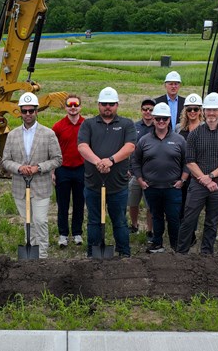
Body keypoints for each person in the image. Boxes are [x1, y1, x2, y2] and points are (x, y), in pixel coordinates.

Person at [77, 86, 138, 257]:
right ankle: (93, 253)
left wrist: (111, 160)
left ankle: (124, 253)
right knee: (94, 221)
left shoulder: (127, 124)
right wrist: (98, 162)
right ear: (98, 105)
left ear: (117, 105)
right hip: (93, 183)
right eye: (104, 104)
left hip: (117, 185)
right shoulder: (88, 124)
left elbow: (130, 147)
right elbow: (82, 147)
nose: (107, 107)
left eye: (111, 104)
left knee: (119, 221)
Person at [0, 91, 62, 259]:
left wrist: (39, 167)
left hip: (41, 186)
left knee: (40, 221)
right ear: (20, 112)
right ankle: (31, 254)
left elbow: (57, 159)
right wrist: (19, 168)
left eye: (31, 110)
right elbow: (5, 160)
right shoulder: (12, 135)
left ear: (36, 111)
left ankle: (42, 256)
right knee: (28, 222)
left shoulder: (48, 134)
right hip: (20, 187)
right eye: (24, 111)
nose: (28, 114)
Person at [177, 93, 218, 255]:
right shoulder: (195, 134)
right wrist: (205, 180)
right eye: (208, 109)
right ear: (204, 111)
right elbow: (190, 160)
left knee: (212, 221)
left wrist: (210, 177)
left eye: (215, 110)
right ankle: (181, 253)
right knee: (189, 219)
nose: (211, 113)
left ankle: (206, 254)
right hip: (198, 184)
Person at [132, 102, 187, 252]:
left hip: (172, 188)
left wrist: (182, 180)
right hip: (152, 187)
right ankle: (157, 243)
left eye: (164, 118)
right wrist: (140, 180)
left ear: (169, 120)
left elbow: (187, 162)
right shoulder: (144, 140)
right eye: (158, 119)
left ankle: (176, 246)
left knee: (173, 218)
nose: (161, 122)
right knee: (156, 216)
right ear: (154, 120)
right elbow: (135, 161)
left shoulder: (179, 140)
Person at [52, 93, 85, 247]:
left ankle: (77, 233)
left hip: (81, 169)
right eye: (70, 105)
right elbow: (52, 150)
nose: (73, 108)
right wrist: (53, 171)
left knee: (79, 202)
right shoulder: (58, 127)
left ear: (80, 107)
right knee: (63, 204)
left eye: (76, 105)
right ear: (65, 107)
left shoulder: (86, 125)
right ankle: (63, 234)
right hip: (63, 169)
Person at [128, 98, 156, 235]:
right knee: (133, 202)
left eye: (151, 109)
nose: (148, 112)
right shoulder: (134, 127)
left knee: (149, 205)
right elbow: (129, 148)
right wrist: (128, 168)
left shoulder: (159, 127)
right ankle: (134, 225)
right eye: (145, 109)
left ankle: (150, 230)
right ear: (141, 111)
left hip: (151, 173)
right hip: (134, 172)